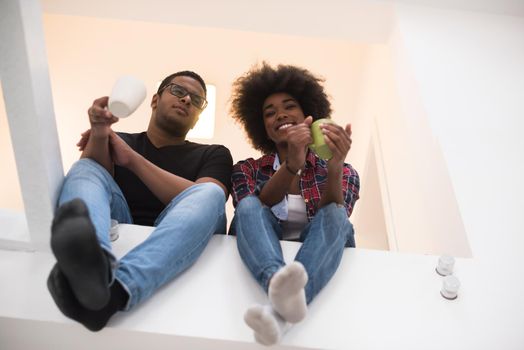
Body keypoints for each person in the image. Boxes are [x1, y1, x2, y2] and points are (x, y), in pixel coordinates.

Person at [47, 71, 233, 331]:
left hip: (182, 231)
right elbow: (90, 173)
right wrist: (100, 132)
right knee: (85, 169)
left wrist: (132, 159)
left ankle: (119, 290)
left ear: (198, 115)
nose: (187, 100)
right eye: (178, 91)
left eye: (197, 100)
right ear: (155, 100)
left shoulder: (214, 154)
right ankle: (95, 265)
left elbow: (207, 198)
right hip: (120, 217)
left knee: (210, 194)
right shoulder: (119, 140)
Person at [229, 63, 360, 345]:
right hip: (261, 244)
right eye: (270, 113)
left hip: (321, 243)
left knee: (337, 215)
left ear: (308, 116)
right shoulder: (247, 169)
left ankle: (278, 313)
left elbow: (335, 217)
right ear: (262, 127)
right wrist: (292, 165)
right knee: (250, 206)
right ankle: (277, 282)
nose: (280, 115)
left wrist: (335, 166)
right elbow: (251, 210)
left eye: (290, 107)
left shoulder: (345, 171)